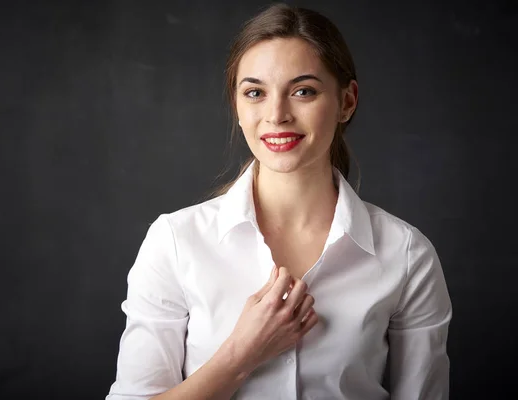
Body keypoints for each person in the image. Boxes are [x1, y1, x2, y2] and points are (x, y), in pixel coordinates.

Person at [106, 3, 452, 399]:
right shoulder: (174, 241)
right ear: (237, 106)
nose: (276, 115)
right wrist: (241, 355)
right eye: (255, 92)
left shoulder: (407, 255)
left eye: (303, 91)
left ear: (347, 102)